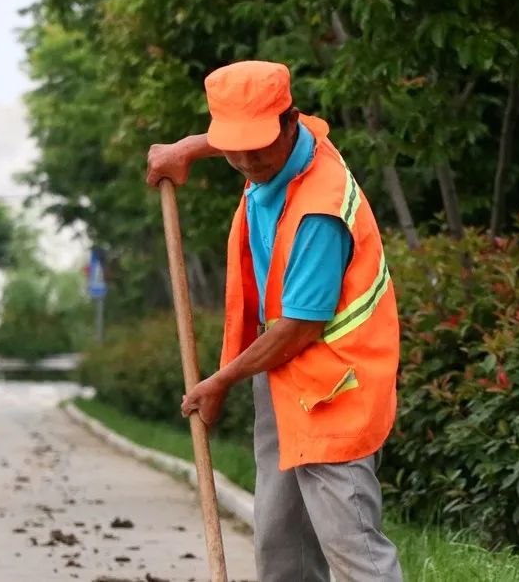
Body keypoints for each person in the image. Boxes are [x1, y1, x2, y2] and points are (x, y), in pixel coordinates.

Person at [146, 60, 403, 582]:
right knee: (280, 542)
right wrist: (186, 150)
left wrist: (218, 382)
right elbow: (238, 139)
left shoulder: (320, 211)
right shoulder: (270, 149)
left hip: (335, 386)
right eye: (233, 146)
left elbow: (298, 328)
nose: (245, 160)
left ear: (292, 121)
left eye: (258, 145)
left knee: (352, 548)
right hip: (283, 376)